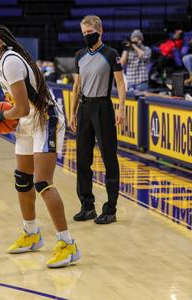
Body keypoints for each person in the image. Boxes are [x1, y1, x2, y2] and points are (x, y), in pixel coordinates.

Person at [0, 25, 81, 268]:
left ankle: (68, 244)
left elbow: (22, 108)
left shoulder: (10, 61)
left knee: (42, 181)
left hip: (46, 119)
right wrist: (7, 112)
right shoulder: (0, 62)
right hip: (28, 122)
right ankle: (32, 233)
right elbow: (18, 105)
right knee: (22, 179)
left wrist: (2, 117)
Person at [70, 15, 126, 225]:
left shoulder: (111, 54)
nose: (86, 36)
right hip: (84, 107)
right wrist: (73, 112)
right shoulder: (79, 55)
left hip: (103, 106)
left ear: (99, 31)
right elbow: (77, 86)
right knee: (83, 159)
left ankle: (110, 209)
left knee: (109, 157)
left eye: (89, 32)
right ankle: (87, 206)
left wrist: (121, 108)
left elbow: (120, 84)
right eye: (83, 33)